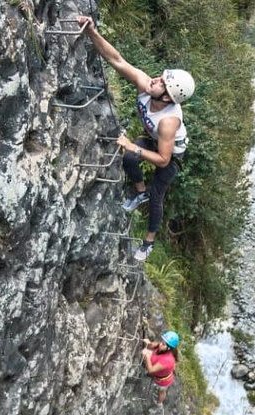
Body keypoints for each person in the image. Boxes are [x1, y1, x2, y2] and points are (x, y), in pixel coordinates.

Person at [77, 15, 195, 261]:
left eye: (162, 83)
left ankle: (148, 242)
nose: (155, 80)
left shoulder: (168, 121)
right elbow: (117, 60)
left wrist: (133, 145)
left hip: (171, 155)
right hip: (154, 140)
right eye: (161, 77)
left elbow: (163, 160)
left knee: (157, 195)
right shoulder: (146, 86)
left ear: (168, 99)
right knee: (129, 158)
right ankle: (139, 192)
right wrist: (92, 31)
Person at [141, 331, 180, 405]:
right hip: (159, 374)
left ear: (169, 348)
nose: (161, 344)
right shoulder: (162, 346)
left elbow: (151, 370)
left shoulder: (167, 360)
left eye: (164, 344)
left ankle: (159, 403)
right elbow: (152, 345)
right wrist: (148, 343)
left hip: (163, 381)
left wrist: (147, 357)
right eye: (162, 341)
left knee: (162, 391)